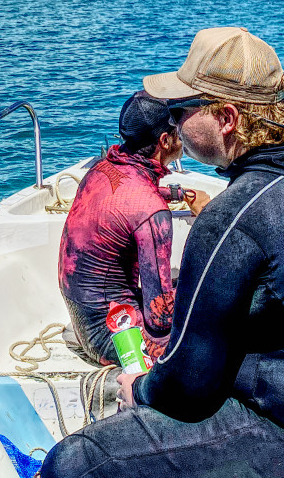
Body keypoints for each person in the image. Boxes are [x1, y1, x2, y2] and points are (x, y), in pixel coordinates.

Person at [42, 27, 284, 478]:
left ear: (226, 117)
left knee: (74, 462)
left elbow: (186, 389)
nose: (171, 124)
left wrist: (140, 389)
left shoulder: (232, 218)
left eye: (179, 110)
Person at [58, 91, 209, 366]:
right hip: (118, 339)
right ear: (165, 141)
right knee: (213, 299)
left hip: (85, 321)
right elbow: (160, 319)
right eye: (180, 125)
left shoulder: (102, 169)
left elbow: (130, 194)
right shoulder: (152, 212)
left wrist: (178, 194)